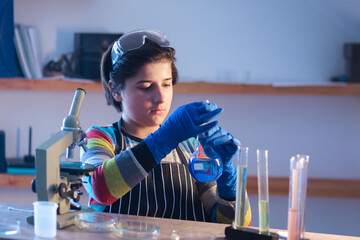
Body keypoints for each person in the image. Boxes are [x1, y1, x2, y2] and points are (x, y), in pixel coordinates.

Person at [81, 29, 251, 225]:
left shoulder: (191, 148)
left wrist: (228, 182)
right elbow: (100, 188)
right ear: (116, 90)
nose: (161, 98)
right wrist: (167, 137)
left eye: (167, 85)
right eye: (146, 87)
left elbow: (234, 225)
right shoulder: (101, 138)